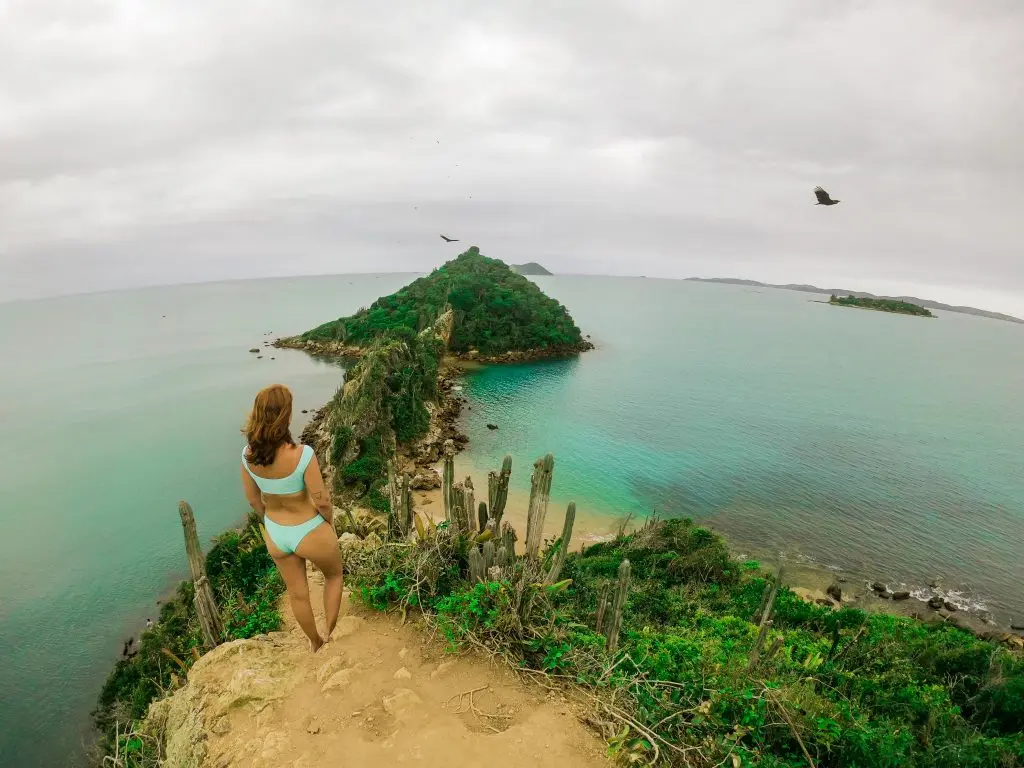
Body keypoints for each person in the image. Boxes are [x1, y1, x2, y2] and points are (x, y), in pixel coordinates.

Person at [240, 384, 343, 652]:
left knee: (298, 594)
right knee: (333, 577)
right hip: (308, 528)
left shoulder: (247, 456)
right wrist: (328, 522)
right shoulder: (303, 455)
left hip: (277, 533)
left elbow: (253, 500)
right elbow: (321, 499)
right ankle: (329, 634)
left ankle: (315, 642)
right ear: (285, 415)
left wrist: (269, 521)